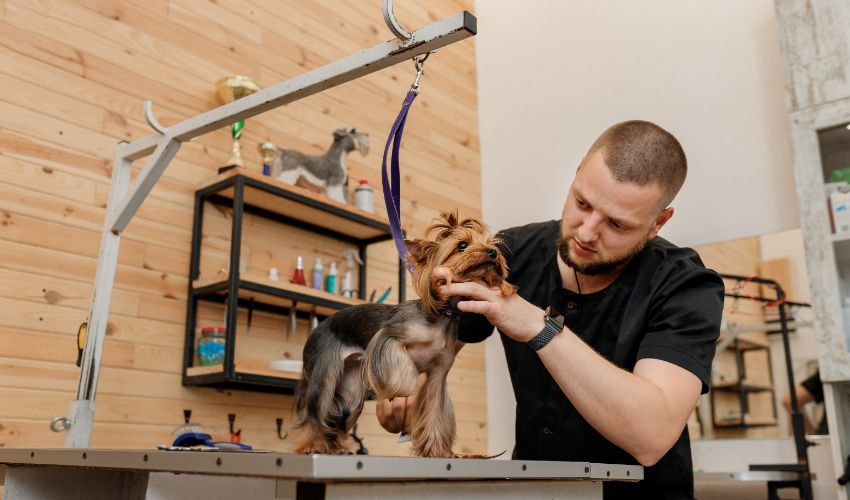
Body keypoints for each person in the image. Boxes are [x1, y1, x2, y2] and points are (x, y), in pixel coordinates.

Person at [377, 120, 724, 498]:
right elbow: (445, 344)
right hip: (535, 490)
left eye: (617, 224)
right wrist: (413, 391)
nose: (587, 232)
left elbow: (651, 436)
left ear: (658, 222)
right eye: (582, 203)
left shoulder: (686, 286)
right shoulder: (510, 252)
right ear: (577, 174)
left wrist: (537, 327)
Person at [782, 369, 828, 435]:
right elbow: (790, 401)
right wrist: (813, 433)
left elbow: (790, 401)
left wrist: (814, 434)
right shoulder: (833, 369)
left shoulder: (832, 368)